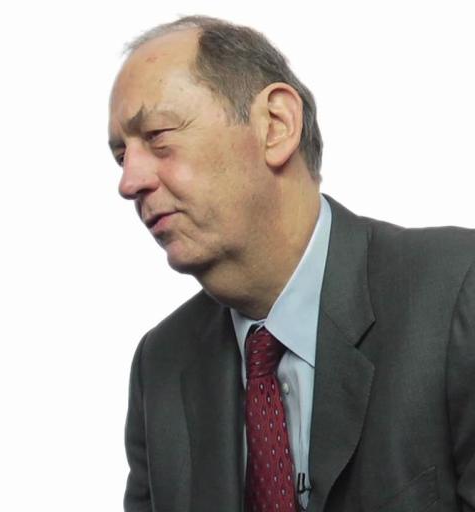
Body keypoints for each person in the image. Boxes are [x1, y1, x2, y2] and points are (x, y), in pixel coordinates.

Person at [108, 15, 475, 512]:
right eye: (121, 156)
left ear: (276, 126)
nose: (129, 182)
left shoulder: (458, 291)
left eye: (157, 135)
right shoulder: (161, 364)